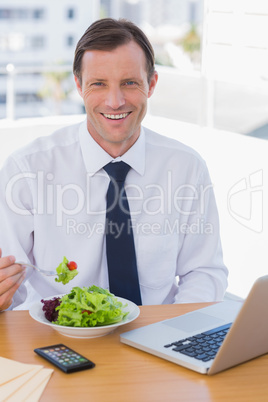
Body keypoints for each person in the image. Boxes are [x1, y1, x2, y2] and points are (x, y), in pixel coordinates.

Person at [0, 18, 228, 311]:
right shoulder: (26, 171)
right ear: (79, 86)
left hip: (157, 331)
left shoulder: (186, 167)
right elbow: (11, 287)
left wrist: (173, 329)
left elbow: (204, 272)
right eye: (99, 84)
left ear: (152, 84)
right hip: (56, 338)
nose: (115, 101)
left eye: (130, 83)